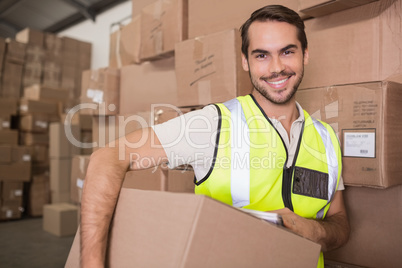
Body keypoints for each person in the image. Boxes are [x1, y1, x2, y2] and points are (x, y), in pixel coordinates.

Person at [80, 5, 350, 267]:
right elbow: (108, 158)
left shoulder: (326, 139)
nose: (276, 67)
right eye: (261, 55)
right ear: (245, 61)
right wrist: (91, 262)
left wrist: (312, 229)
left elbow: (340, 224)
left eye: (287, 51)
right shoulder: (213, 124)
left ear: (305, 55)